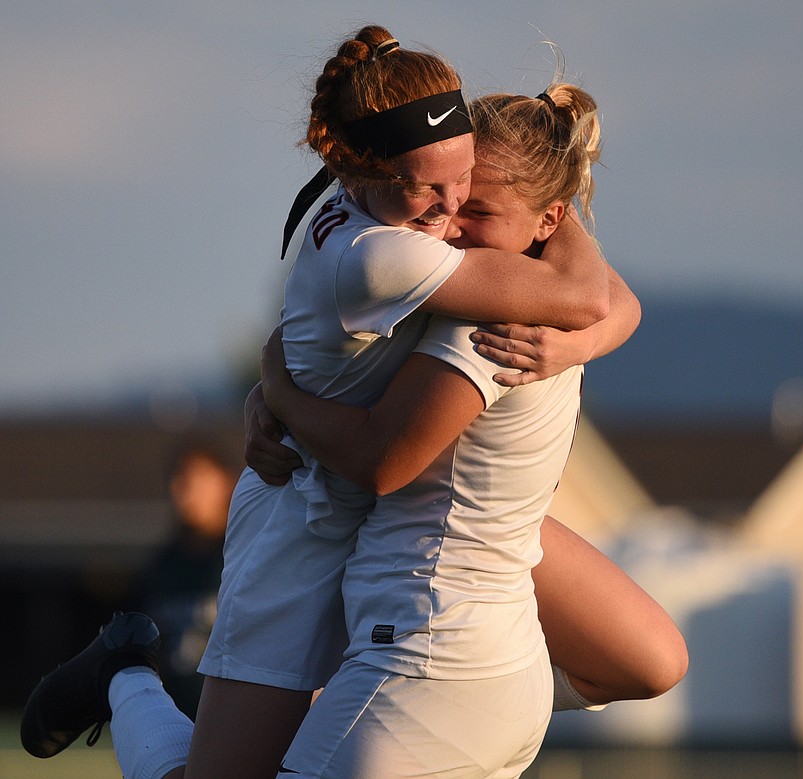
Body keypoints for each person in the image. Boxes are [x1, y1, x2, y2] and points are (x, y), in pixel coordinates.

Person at [22, 25, 683, 779]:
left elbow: (599, 300)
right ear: (368, 173)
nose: (451, 216)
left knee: (648, 656)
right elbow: (579, 300)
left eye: (469, 192)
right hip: (300, 512)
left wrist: (580, 336)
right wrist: (277, 390)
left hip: (410, 582)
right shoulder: (406, 258)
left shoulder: (440, 251)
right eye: (434, 188)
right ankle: (127, 672)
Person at [135, 438, 237, 718]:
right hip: (174, 713)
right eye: (179, 478)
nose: (184, 489)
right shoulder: (163, 564)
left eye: (198, 478)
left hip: (234, 715)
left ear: (226, 482)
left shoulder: (245, 556)